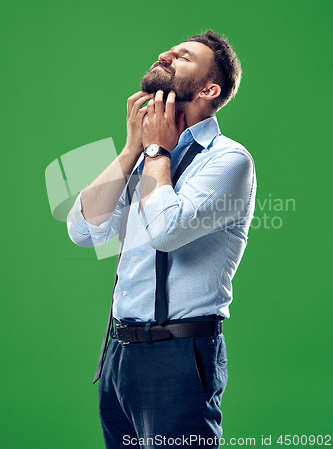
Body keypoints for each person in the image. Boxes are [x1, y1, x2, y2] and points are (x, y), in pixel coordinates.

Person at [67, 30, 256, 449]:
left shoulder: (228, 159)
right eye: (169, 50)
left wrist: (155, 153)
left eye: (183, 56)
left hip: (179, 356)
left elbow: (166, 231)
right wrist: (131, 150)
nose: (166, 54)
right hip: (118, 355)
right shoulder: (146, 156)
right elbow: (83, 230)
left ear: (210, 89)